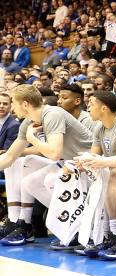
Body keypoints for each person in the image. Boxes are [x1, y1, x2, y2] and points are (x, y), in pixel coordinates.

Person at [0, 85, 93, 245]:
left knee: (50, 179)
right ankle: (22, 223)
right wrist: (29, 137)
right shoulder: (28, 122)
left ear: (25, 104)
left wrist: (32, 138)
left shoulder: (53, 114)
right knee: (26, 174)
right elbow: (9, 156)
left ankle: (81, 226)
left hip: (91, 164)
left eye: (13, 103)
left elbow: (54, 153)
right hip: (69, 163)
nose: (12, 108)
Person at [77, 91, 116, 259]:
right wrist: (83, 161)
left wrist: (97, 162)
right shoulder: (99, 126)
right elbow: (95, 155)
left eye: (91, 104)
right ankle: (92, 233)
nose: (87, 107)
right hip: (112, 170)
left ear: (104, 108)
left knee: (110, 174)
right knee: (83, 175)